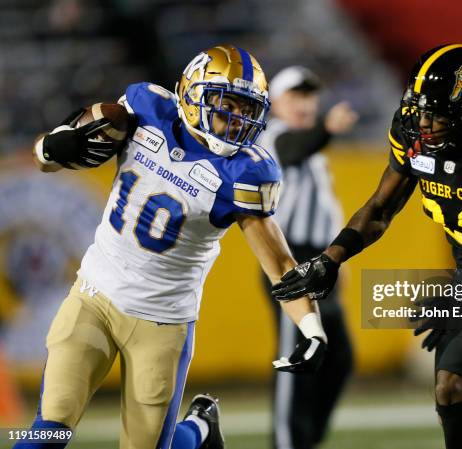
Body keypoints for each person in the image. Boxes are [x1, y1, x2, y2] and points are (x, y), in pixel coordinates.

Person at [272, 44, 462, 449]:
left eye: (436, 113)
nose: (423, 122)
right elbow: (381, 208)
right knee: (459, 407)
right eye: (420, 109)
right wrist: (330, 259)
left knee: (453, 387)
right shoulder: (413, 133)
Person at [17, 44, 327, 449]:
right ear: (192, 94)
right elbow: (48, 155)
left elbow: (280, 263)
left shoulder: (244, 173)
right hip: (93, 297)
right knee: (46, 432)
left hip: (163, 323)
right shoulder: (144, 109)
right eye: (226, 104)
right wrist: (52, 148)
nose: (237, 120)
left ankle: (198, 429)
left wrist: (312, 328)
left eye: (248, 110)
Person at [258, 66, 357, 449]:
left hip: (316, 262)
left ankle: (305, 441)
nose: (304, 104)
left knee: (339, 359)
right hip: (288, 262)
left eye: (309, 97)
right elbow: (294, 149)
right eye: (295, 97)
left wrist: (335, 264)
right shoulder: (275, 137)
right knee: (298, 359)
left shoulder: (312, 148)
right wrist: (328, 129)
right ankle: (287, 444)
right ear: (276, 103)